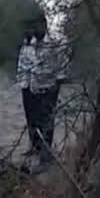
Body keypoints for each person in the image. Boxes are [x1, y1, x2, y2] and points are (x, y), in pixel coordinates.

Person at [27, 15, 67, 166]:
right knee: (35, 121)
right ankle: (38, 151)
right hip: (35, 88)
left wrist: (56, 84)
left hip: (50, 88)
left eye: (37, 26)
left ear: (44, 25)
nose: (35, 30)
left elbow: (62, 65)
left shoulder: (54, 43)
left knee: (47, 122)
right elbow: (32, 67)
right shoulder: (32, 43)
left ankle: (46, 155)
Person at [16, 27, 37, 155]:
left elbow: (36, 64)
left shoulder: (39, 45)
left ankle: (40, 147)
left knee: (37, 117)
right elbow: (20, 64)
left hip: (36, 85)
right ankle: (32, 145)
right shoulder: (24, 45)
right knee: (29, 117)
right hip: (25, 85)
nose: (27, 31)